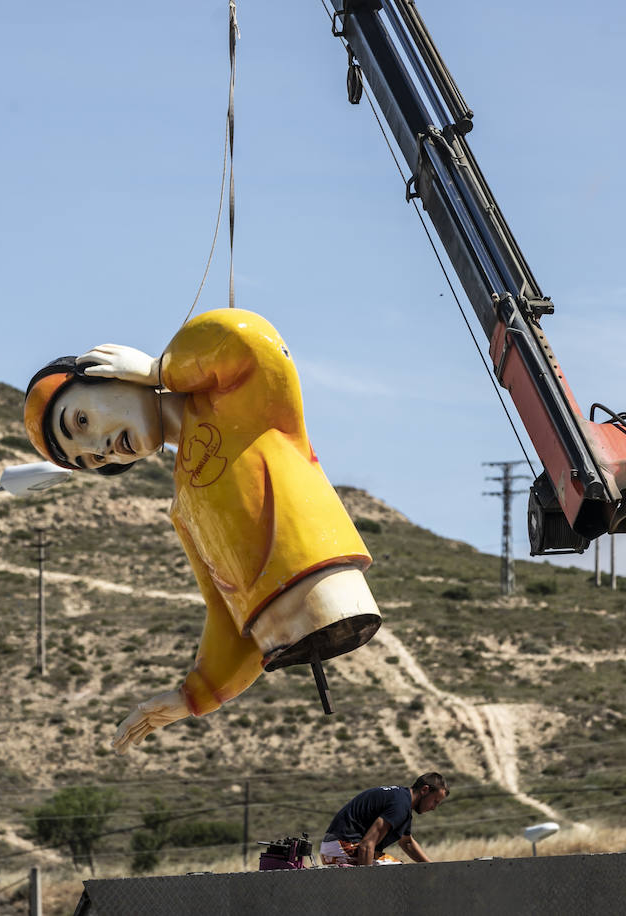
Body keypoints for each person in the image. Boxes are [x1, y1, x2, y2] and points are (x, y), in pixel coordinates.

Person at [23, 309, 383, 752]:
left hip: (335, 583)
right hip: (278, 630)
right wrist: (192, 695)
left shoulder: (234, 400)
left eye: (81, 422)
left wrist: (159, 370)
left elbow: (250, 343)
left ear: (108, 372)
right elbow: (226, 610)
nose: (100, 449)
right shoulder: (184, 506)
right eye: (92, 460)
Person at [320, 773, 449, 865]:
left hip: (333, 848)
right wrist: (366, 890)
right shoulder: (400, 805)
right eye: (435, 801)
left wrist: (433, 867)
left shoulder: (401, 799)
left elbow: (407, 842)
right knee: (399, 874)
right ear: (425, 790)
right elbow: (366, 845)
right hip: (344, 848)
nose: (434, 808)